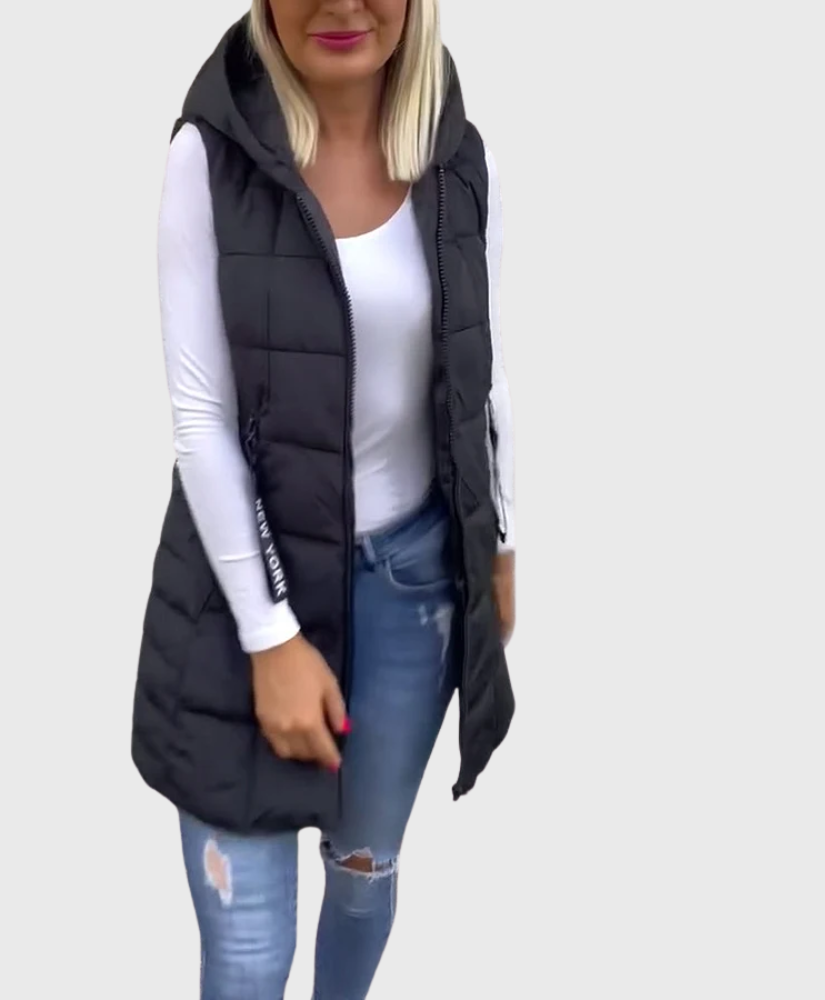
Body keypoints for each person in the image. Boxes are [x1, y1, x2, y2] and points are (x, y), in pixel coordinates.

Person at [132, 2, 515, 996]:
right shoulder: (207, 160)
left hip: (414, 592)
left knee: (363, 876)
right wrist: (270, 638)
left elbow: (482, 369)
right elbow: (201, 421)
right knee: (249, 955)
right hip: (239, 595)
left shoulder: (457, 157)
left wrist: (501, 542)